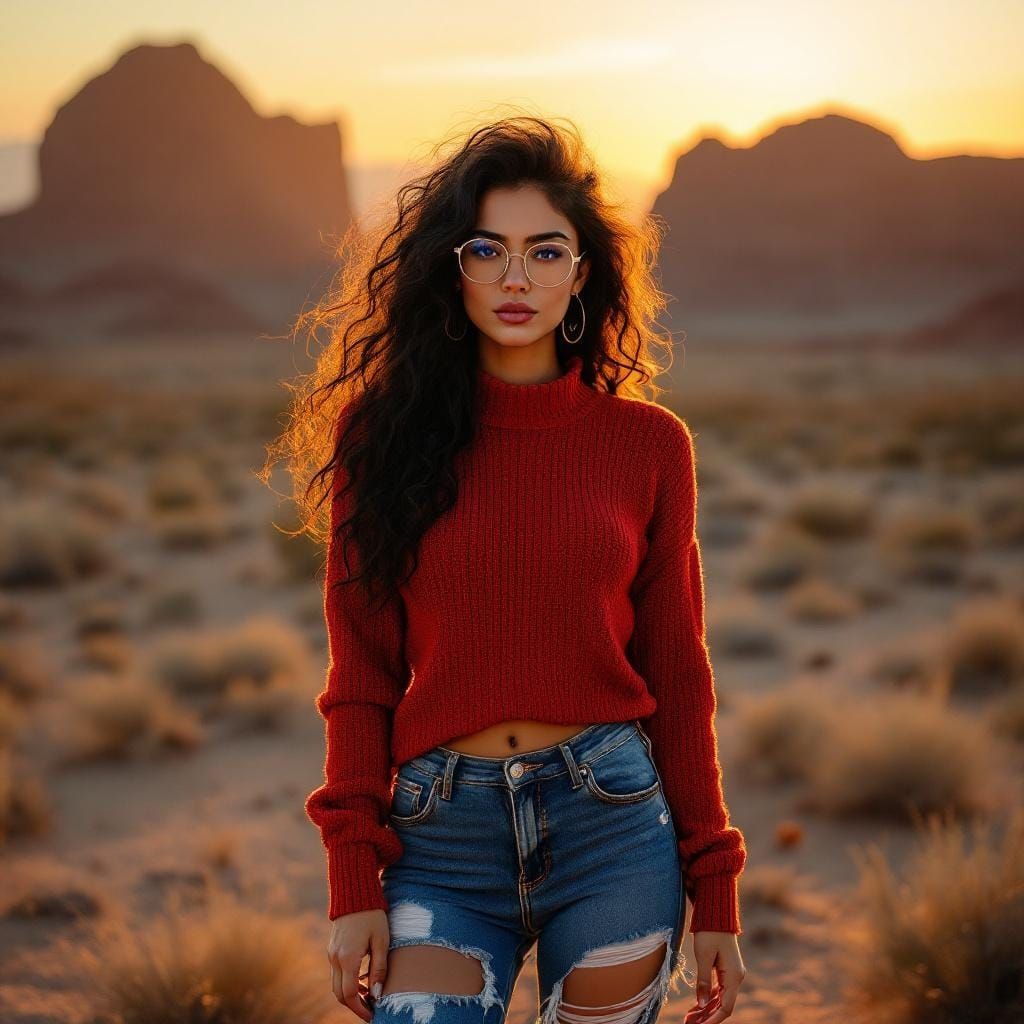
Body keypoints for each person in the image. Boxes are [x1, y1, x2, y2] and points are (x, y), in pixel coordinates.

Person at [281, 115, 747, 1024]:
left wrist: (717, 888)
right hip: (438, 840)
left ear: (582, 273)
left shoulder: (647, 445)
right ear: (451, 269)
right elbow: (362, 674)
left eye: (545, 251)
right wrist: (352, 884)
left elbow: (681, 678)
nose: (515, 277)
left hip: (611, 826)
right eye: (487, 249)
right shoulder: (382, 439)